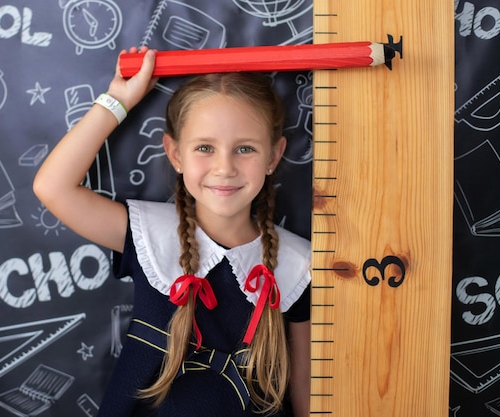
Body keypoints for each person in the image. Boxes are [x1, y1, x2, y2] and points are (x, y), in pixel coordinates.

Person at [33, 46, 311, 417]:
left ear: (274, 156)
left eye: (244, 148)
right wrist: (117, 100)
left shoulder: (297, 267)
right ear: (175, 154)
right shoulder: (150, 235)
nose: (224, 168)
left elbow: (308, 399)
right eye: (205, 148)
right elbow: (53, 188)